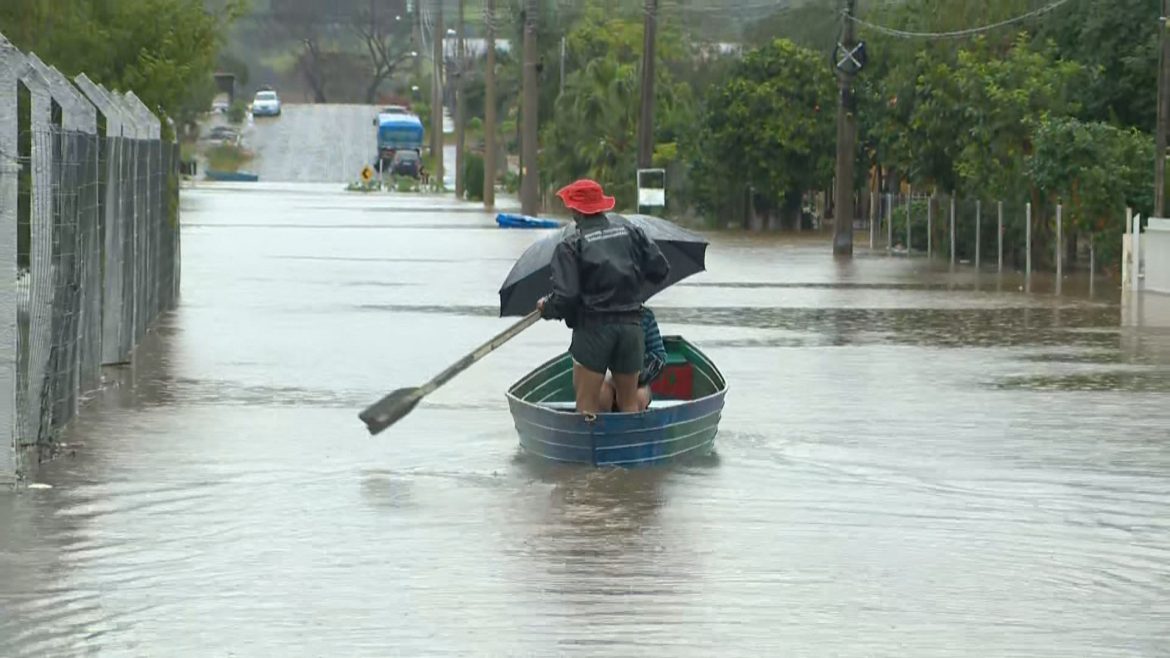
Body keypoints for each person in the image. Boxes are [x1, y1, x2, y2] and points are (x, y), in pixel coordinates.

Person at [537, 179, 670, 415]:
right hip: (631, 327)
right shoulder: (632, 233)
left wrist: (547, 307)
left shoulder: (571, 246)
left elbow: (567, 298)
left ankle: (588, 451)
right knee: (629, 404)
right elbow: (660, 269)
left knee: (587, 407)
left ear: (576, 210)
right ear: (601, 206)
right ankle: (628, 449)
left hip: (593, 331)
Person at [599, 305, 666, 412]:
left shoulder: (645, 316)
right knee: (601, 395)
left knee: (639, 397)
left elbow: (659, 355)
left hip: (637, 382)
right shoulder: (597, 316)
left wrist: (639, 373)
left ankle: (632, 426)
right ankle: (600, 426)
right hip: (604, 379)